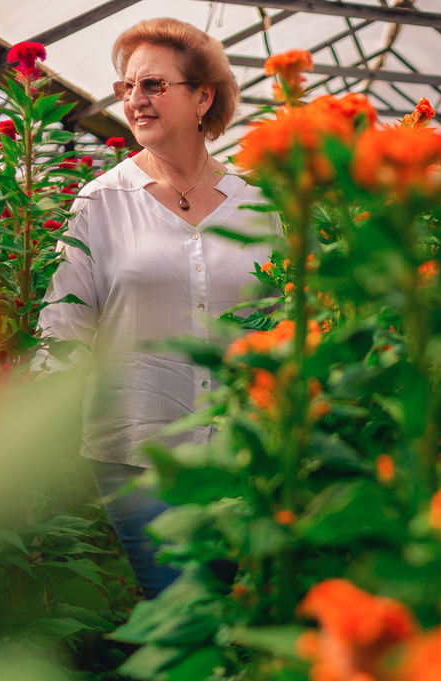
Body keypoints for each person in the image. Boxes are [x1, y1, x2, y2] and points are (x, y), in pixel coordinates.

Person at [36, 17, 277, 598]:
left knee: (236, 611)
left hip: (243, 450)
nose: (134, 100)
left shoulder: (260, 206)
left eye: (152, 85)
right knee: (179, 607)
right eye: (127, 88)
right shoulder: (102, 201)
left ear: (202, 97)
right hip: (136, 449)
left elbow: (285, 313)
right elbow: (65, 320)